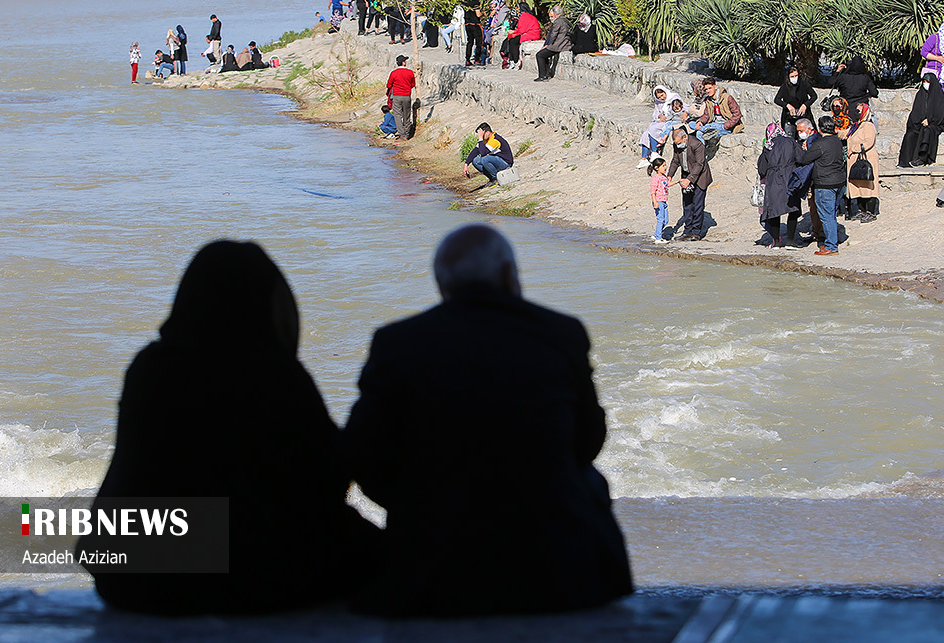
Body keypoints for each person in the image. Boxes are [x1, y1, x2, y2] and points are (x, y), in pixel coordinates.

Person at [343, 224, 632, 617]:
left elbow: (364, 454)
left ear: (443, 286)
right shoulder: (560, 333)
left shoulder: (398, 343)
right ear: (509, 275)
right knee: (587, 479)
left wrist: (418, 503)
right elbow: (588, 441)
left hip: (436, 571)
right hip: (554, 568)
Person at [79, 240, 380, 615]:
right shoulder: (274, 376)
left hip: (130, 577)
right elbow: (328, 476)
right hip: (237, 581)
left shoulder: (150, 368)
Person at [796, 115, 845, 256]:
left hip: (825, 184)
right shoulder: (837, 141)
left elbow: (805, 160)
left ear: (820, 128)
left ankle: (831, 245)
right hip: (839, 182)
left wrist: (805, 150)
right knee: (832, 213)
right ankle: (831, 241)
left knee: (826, 215)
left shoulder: (819, 144)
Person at [757, 123, 801, 249]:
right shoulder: (790, 141)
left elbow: (762, 170)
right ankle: (790, 241)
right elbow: (801, 158)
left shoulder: (768, 145)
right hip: (790, 177)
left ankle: (776, 242)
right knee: (792, 209)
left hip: (774, 180)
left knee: (774, 211)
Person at [667, 127, 712, 241]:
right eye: (676, 144)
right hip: (686, 174)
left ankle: (696, 232)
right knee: (687, 204)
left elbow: (699, 164)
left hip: (700, 177)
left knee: (697, 204)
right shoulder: (677, 145)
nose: (678, 145)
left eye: (679, 143)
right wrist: (669, 175)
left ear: (685, 137)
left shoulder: (697, 145)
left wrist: (689, 179)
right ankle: (687, 231)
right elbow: (675, 161)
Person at [898, 73, 944, 168]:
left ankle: (922, 159)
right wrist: (919, 121)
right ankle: (905, 162)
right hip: (920, 124)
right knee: (910, 135)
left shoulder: (939, 96)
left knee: (927, 131)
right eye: (924, 81)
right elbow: (916, 112)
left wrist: (929, 120)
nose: (925, 84)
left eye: (927, 82)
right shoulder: (920, 95)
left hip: (935, 124)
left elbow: (941, 115)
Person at [791, 118, 825, 248]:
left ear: (809, 129)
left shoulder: (815, 140)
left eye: (801, 130)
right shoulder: (805, 141)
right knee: (812, 208)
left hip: (815, 179)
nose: (799, 133)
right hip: (811, 180)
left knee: (818, 207)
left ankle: (820, 233)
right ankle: (816, 233)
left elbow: (808, 159)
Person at [843, 103, 879, 222]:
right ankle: (861, 211)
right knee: (858, 186)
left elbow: (868, 142)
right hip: (855, 160)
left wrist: (854, 148)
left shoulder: (868, 126)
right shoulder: (856, 126)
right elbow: (845, 134)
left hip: (865, 158)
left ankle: (870, 212)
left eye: (859, 111)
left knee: (867, 185)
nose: (856, 113)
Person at [637, 85, 682, 167]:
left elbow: (681, 108)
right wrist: (659, 116)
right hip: (663, 120)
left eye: (662, 95)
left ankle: (654, 152)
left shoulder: (674, 97)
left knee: (653, 128)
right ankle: (644, 158)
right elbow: (656, 114)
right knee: (646, 133)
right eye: (659, 97)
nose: (662, 98)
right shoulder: (658, 103)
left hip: (672, 120)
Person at [463, 122, 513, 187]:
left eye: (482, 135)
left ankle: (496, 178)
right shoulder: (485, 140)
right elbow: (475, 151)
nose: (482, 137)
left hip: (505, 163)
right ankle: (492, 179)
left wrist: (480, 139)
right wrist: (466, 164)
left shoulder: (495, 140)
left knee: (485, 159)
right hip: (496, 161)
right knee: (476, 161)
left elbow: (483, 153)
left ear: (488, 132)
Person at [774, 66, 816, 134]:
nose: (794, 78)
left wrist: (805, 105)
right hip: (789, 118)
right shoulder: (785, 86)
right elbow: (777, 99)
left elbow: (814, 96)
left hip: (803, 116)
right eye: (792, 76)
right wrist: (787, 106)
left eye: (796, 75)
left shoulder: (804, 84)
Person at [534, 6, 572, 81]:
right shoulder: (566, 20)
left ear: (555, 13)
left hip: (558, 45)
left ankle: (542, 75)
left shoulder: (558, 21)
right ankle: (546, 73)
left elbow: (553, 35)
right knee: (544, 55)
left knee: (540, 55)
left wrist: (548, 45)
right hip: (565, 44)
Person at [500, 3, 541, 70]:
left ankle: (516, 61)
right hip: (528, 33)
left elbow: (522, 29)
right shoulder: (524, 16)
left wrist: (513, 32)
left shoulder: (525, 16)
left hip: (532, 34)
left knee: (514, 41)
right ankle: (512, 60)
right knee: (511, 40)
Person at [386, 54, 415, 140]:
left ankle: (402, 135)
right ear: (403, 63)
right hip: (407, 96)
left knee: (398, 115)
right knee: (407, 115)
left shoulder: (394, 73)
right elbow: (413, 84)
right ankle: (407, 134)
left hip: (397, 96)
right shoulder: (410, 72)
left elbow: (389, 85)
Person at [647, 156, 675, 242]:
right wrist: (655, 202)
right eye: (663, 166)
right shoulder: (655, 178)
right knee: (660, 219)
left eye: (665, 165)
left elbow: (668, 184)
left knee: (665, 220)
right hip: (658, 201)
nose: (665, 167)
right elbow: (653, 191)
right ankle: (658, 238)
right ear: (656, 168)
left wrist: (677, 181)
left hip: (664, 201)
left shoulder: (664, 177)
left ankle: (656, 235)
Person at [464, 2, 485, 67]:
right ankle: (477, 59)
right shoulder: (476, 2)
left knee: (470, 42)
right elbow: (478, 14)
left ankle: (467, 59)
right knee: (479, 42)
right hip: (475, 24)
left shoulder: (465, 2)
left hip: (467, 24)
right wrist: (483, 13)